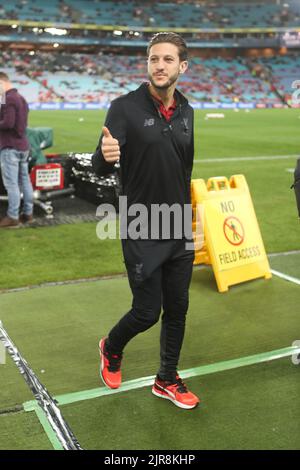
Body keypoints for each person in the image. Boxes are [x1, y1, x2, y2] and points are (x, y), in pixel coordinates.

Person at [92, 32, 199, 409]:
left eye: (168, 59)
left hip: (178, 225)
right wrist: (106, 155)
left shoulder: (186, 110)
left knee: (179, 308)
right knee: (146, 312)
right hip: (141, 223)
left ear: (181, 67)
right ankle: (112, 346)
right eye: (154, 58)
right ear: (148, 64)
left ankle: (166, 379)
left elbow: (185, 168)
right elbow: (97, 163)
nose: (159, 65)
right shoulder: (123, 108)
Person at [0, 72, 33, 228]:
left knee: (12, 183)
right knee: (24, 181)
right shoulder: (21, 98)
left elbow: (8, 123)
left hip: (10, 146)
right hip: (23, 145)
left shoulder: (9, 98)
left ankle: (13, 216)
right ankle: (28, 213)